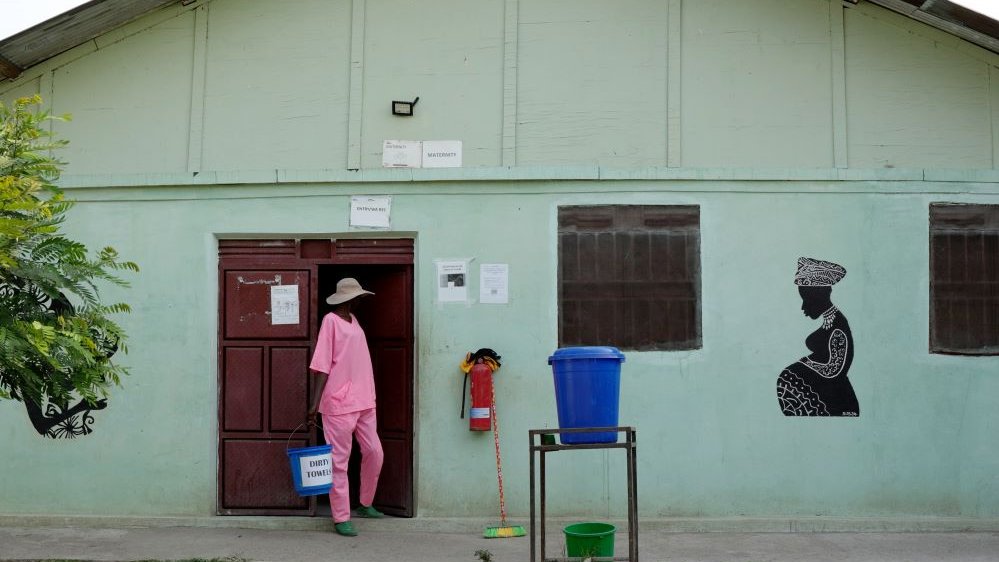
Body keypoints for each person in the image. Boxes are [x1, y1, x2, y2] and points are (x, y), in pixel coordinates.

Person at [308, 277, 385, 536]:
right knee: (339, 461)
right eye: (359, 297)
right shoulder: (330, 321)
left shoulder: (354, 320)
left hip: (364, 400)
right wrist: (314, 404)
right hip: (339, 403)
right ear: (350, 298)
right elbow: (322, 364)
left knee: (374, 451)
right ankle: (341, 517)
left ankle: (365, 503)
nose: (361, 300)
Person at [776, 257, 859, 417]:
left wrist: (805, 363)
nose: (803, 307)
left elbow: (835, 370)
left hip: (835, 401)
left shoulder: (838, 326)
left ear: (820, 296)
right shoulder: (832, 322)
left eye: (807, 300)